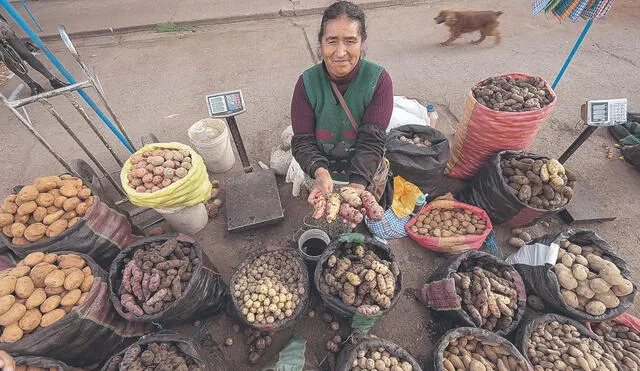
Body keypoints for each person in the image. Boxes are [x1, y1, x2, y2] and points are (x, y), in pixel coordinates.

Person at [290, 0, 393, 209]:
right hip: (322, 176)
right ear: (320, 42)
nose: (340, 52)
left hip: (363, 175)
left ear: (362, 42)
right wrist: (319, 171)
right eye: (332, 41)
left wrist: (357, 186)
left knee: (358, 222)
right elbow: (302, 142)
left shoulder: (379, 81)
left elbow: (372, 141)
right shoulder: (306, 83)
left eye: (350, 41)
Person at [0, 13, 68, 96]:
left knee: (25, 54)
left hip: (2, 29)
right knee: (9, 62)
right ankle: (32, 84)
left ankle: (53, 79)